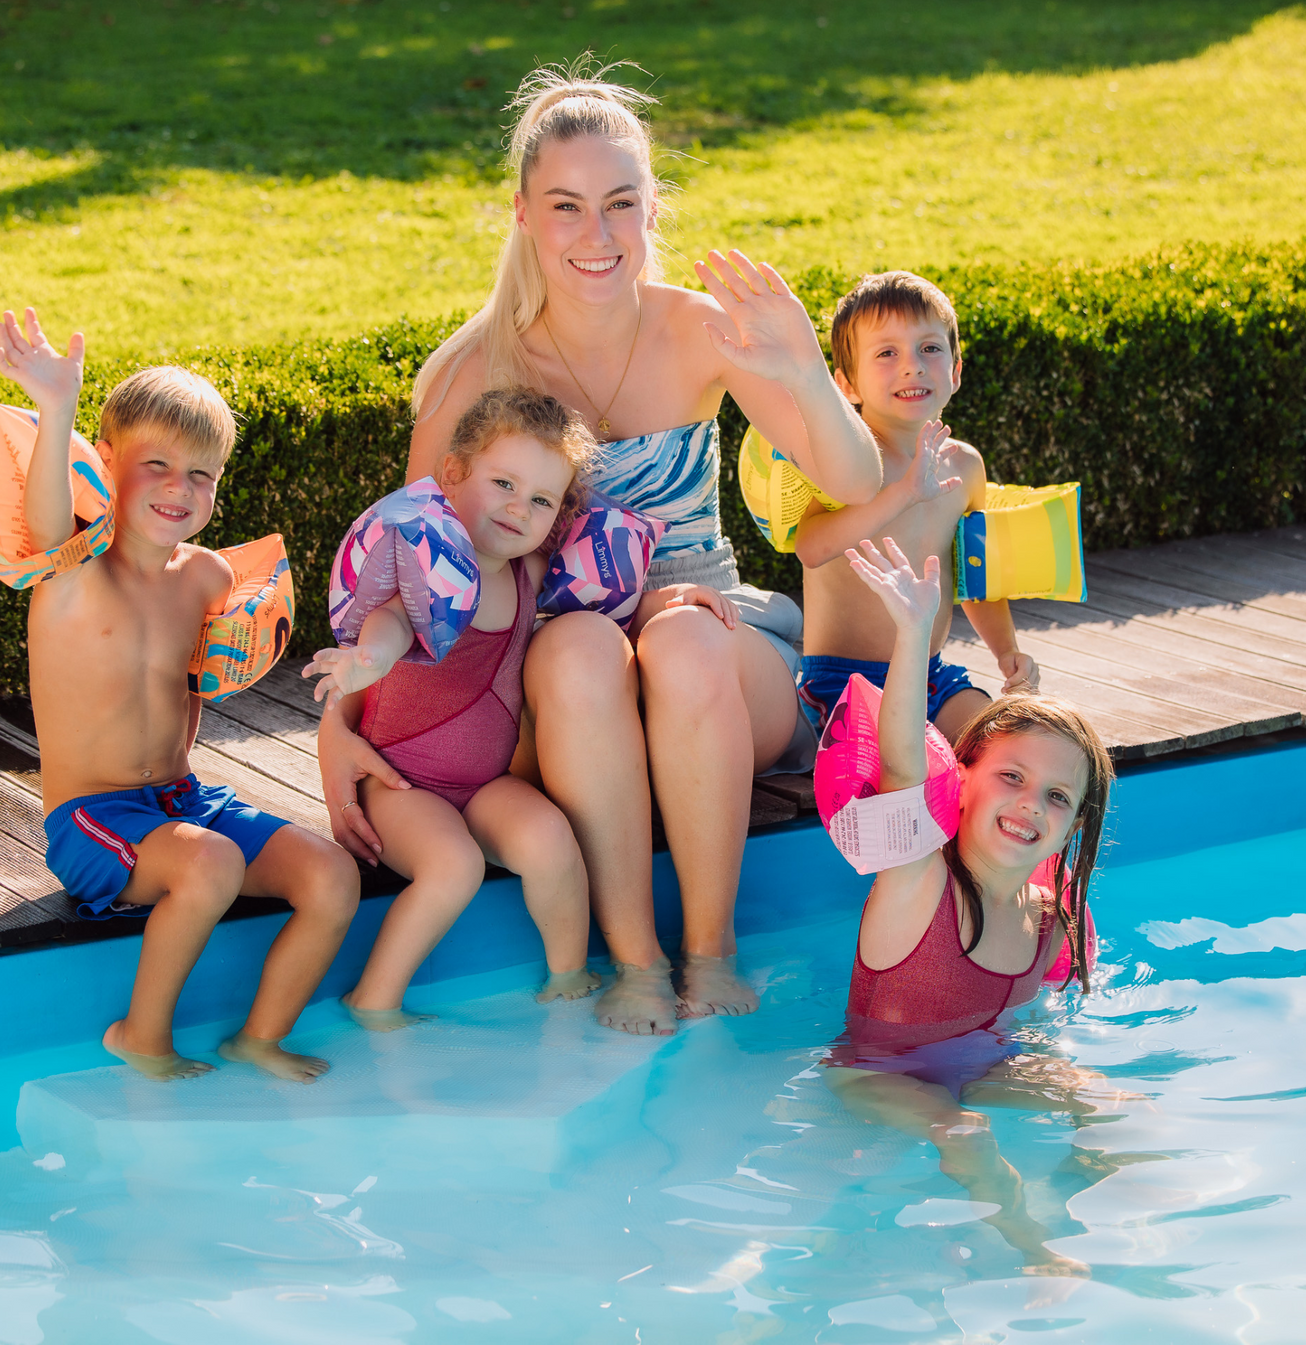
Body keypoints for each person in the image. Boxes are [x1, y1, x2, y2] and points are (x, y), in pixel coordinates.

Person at [314, 62, 883, 1037]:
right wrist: (339, 729)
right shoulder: (475, 372)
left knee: (684, 639)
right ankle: (637, 961)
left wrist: (801, 369)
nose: (598, 234)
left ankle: (712, 949)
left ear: (652, 207)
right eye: (567, 206)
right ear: (523, 215)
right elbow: (409, 575)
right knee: (579, 646)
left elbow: (858, 478)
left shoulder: (700, 331)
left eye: (621, 203)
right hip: (557, 694)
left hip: (716, 647)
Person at [0, 307, 360, 1081]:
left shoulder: (206, 577)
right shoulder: (74, 575)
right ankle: (143, 1035)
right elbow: (48, 522)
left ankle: (259, 1037)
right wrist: (57, 405)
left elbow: (191, 683)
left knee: (332, 877)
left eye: (201, 474)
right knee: (210, 866)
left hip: (183, 805)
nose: (179, 487)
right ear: (105, 460)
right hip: (93, 821)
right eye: (155, 464)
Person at [311, 389, 721, 1029]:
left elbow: (597, 610)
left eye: (540, 500)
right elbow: (389, 625)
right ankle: (375, 996)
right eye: (503, 483)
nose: (518, 508)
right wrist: (368, 660)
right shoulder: (428, 573)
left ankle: (568, 975)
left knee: (551, 841)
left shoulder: (528, 571)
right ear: (453, 473)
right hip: (397, 782)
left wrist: (668, 600)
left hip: (483, 784)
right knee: (454, 866)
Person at [823, 535, 1115, 1270]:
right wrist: (913, 632)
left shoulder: (1052, 920)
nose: (1031, 805)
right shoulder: (920, 881)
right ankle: (1038, 1256)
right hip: (876, 1076)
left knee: (1106, 1101)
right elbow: (900, 769)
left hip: (984, 1063)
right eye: (1011, 777)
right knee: (966, 1133)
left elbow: (1050, 1015)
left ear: (1074, 825)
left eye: (1057, 796)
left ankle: (1119, 1223)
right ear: (962, 775)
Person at [794, 271, 1039, 745]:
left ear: (956, 370)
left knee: (1002, 746)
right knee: (906, 764)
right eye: (887, 353)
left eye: (929, 348)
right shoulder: (845, 462)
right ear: (847, 385)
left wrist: (1007, 651)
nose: (913, 366)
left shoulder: (964, 466)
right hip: (845, 683)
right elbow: (812, 547)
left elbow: (975, 579)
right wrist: (904, 492)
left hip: (930, 677)